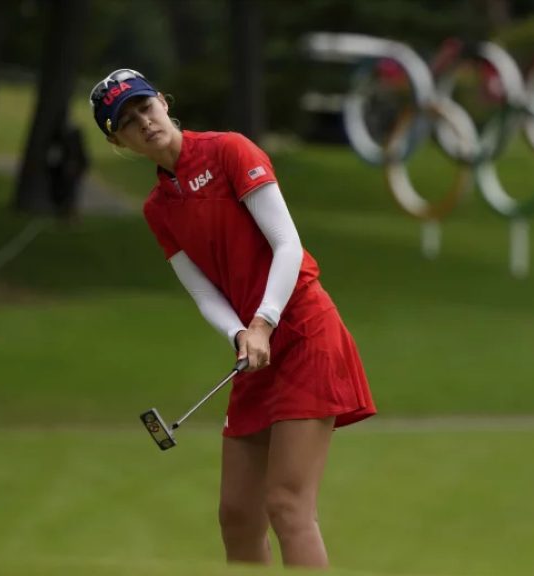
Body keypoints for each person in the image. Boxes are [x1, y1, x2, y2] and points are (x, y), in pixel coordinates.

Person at [88, 68, 376, 568]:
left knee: (287, 505)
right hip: (257, 349)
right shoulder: (158, 208)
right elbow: (204, 292)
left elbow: (287, 245)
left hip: (303, 332)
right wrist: (240, 332)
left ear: (163, 102)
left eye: (146, 107)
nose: (145, 123)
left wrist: (263, 321)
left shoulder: (229, 152)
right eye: (128, 122)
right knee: (238, 516)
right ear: (118, 141)